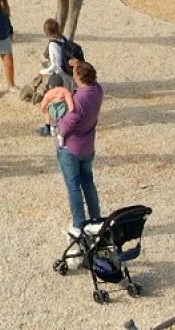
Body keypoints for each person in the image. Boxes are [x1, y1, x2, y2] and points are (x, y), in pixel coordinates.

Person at [55, 61, 104, 235]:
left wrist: (56, 120)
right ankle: (96, 219)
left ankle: (79, 224)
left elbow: (65, 126)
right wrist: (80, 64)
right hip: (88, 146)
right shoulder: (97, 90)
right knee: (88, 182)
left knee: (73, 186)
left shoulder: (78, 100)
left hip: (71, 148)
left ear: (79, 77)